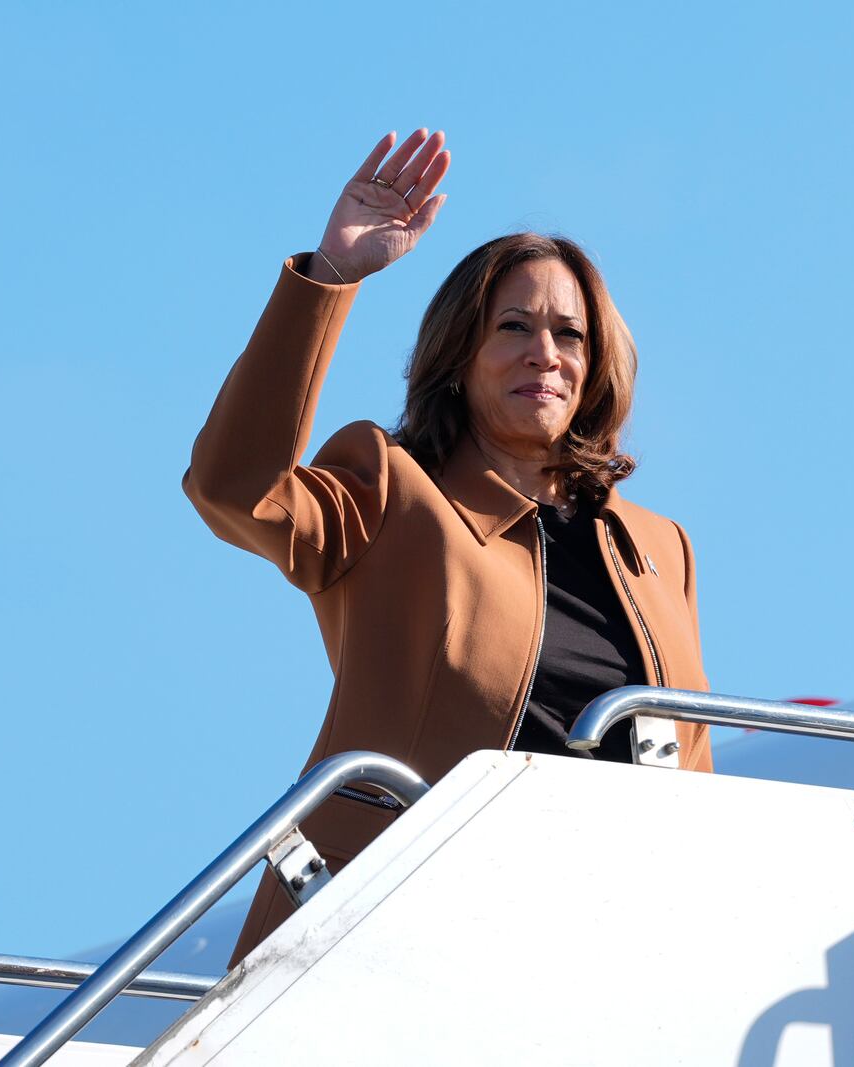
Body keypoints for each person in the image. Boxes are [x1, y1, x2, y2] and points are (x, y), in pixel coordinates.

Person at [184, 129, 713, 968]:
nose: (545, 353)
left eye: (569, 335)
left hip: (609, 947)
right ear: (460, 355)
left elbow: (694, 778)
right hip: (401, 943)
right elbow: (233, 487)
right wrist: (331, 274)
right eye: (514, 326)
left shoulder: (658, 548)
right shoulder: (391, 491)